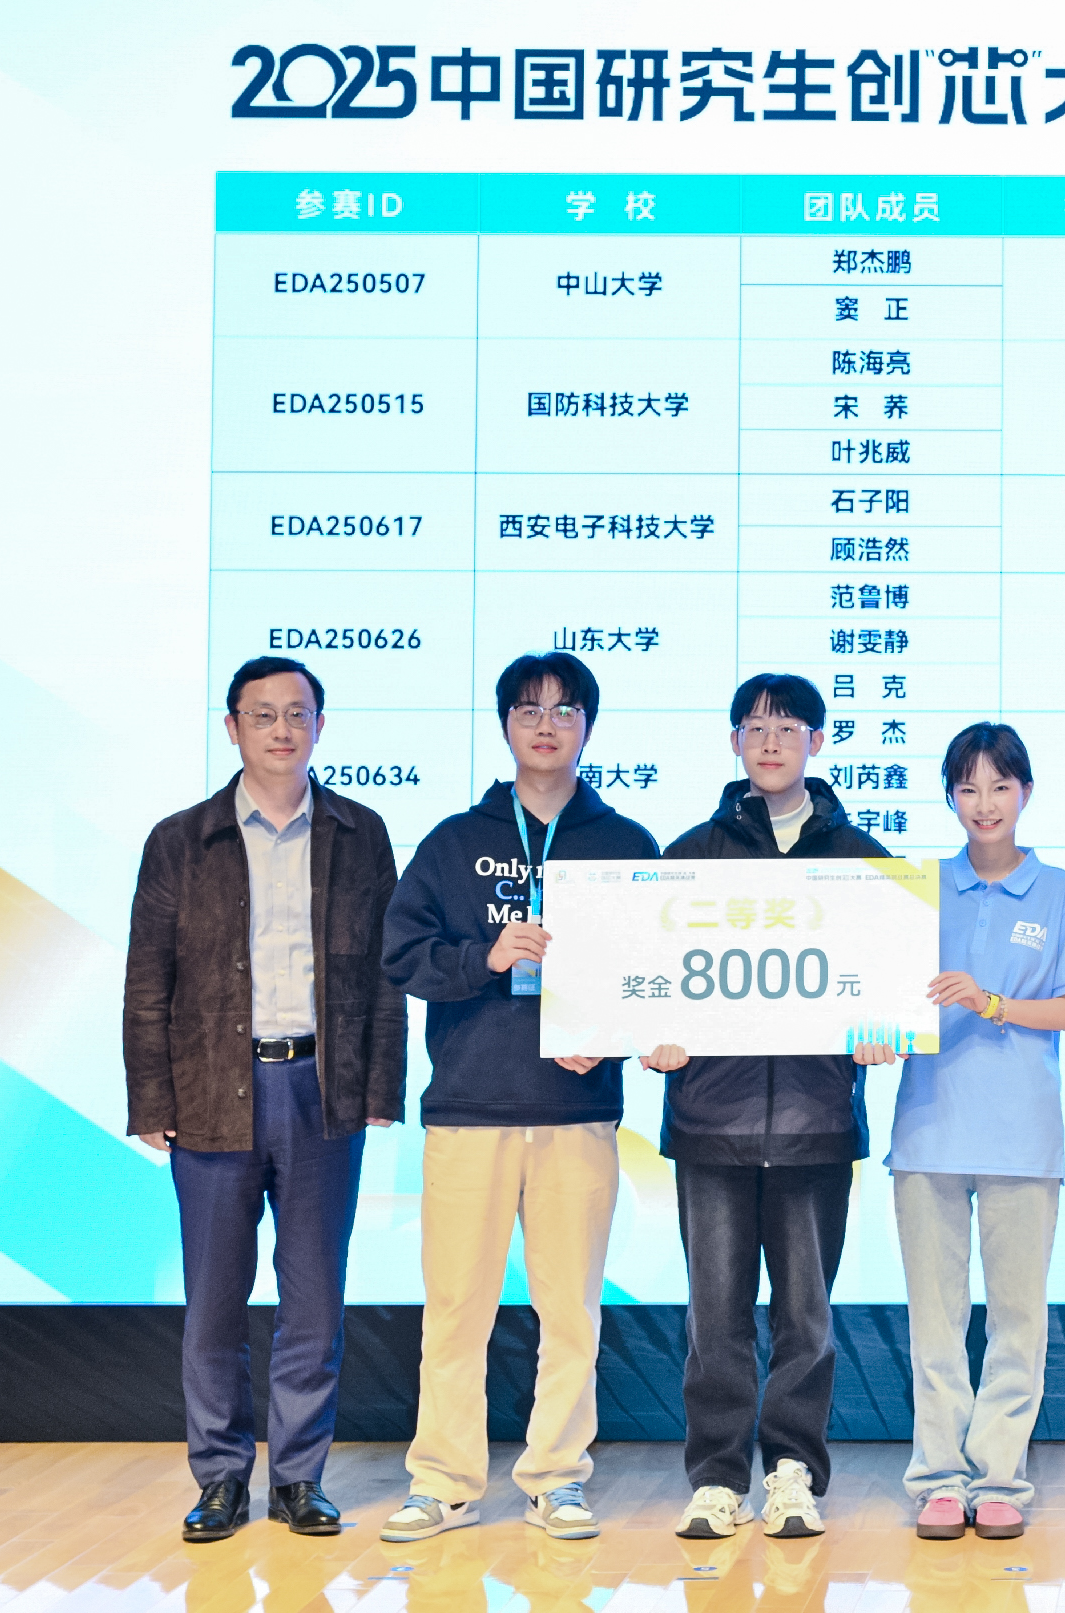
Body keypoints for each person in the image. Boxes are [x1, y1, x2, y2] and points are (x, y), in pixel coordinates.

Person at [376, 653, 660, 1544]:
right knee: (456, 1308)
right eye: (529, 709)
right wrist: (485, 957)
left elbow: (658, 975)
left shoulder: (626, 845)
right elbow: (401, 955)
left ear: (588, 726)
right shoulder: (454, 842)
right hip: (471, 1108)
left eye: (565, 709)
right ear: (504, 723)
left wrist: (612, 1033)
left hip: (578, 1111)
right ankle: (443, 1480)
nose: (546, 724)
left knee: (570, 1311)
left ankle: (557, 1477)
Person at [124, 655, 403, 1542]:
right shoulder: (181, 838)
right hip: (212, 1087)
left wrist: (381, 1085)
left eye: (297, 713)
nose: (282, 729)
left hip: (323, 1090)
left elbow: (386, 975)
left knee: (313, 1299)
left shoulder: (361, 832)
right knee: (214, 1301)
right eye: (263, 714)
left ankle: (298, 1477)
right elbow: (147, 979)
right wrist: (150, 1097)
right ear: (232, 727)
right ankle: (218, 1478)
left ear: (321, 725)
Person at [649, 673, 896, 1543]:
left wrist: (886, 1029)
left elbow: (891, 982)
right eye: (753, 727)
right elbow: (649, 976)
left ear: (817, 742)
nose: (769, 742)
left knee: (806, 1318)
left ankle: (794, 1473)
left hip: (814, 1121)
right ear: (733, 743)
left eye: (787, 727)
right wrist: (649, 1030)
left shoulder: (863, 860)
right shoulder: (688, 855)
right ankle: (718, 1478)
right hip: (709, 1123)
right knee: (713, 1319)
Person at [877, 722, 1065, 1540]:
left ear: (1026, 792)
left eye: (1000, 786)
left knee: (1017, 1317)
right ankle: (939, 1477)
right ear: (949, 796)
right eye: (968, 787)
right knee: (935, 1321)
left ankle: (1000, 1476)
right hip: (929, 1131)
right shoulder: (917, 888)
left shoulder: (1059, 890)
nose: (985, 803)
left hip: (1022, 1135)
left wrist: (991, 1002)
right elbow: (879, 993)